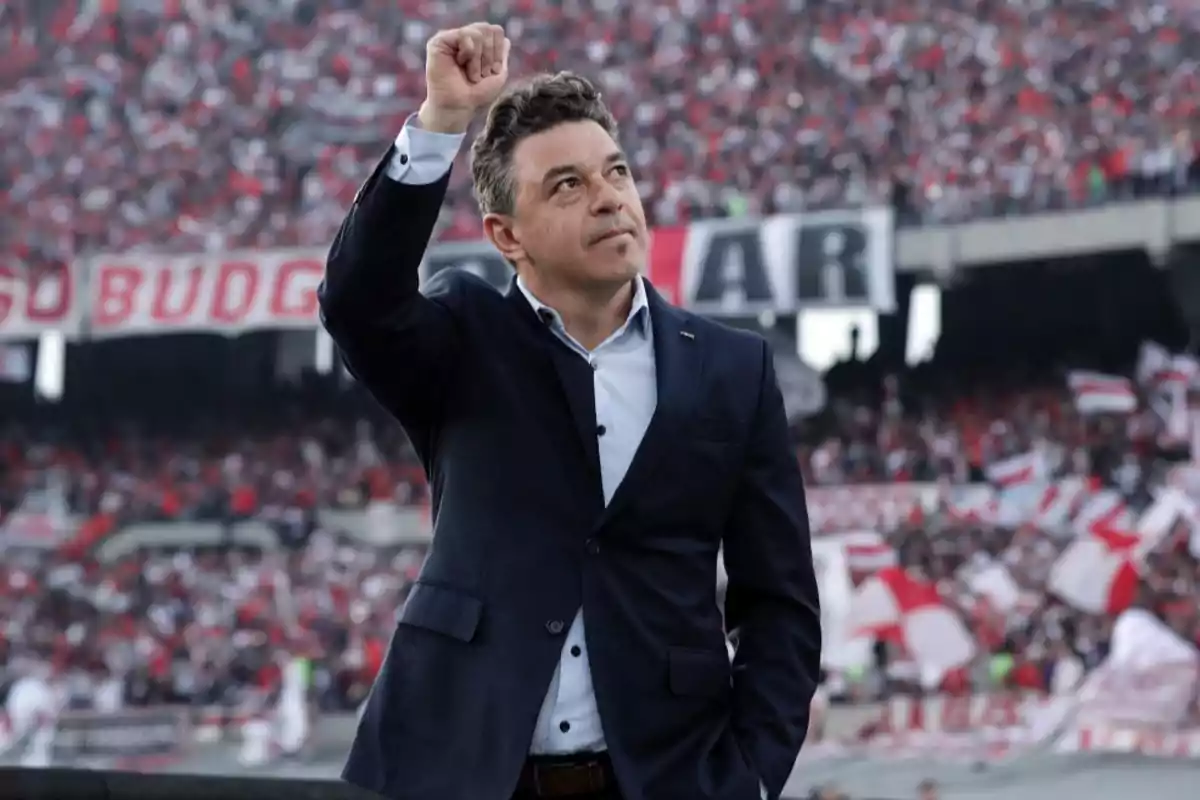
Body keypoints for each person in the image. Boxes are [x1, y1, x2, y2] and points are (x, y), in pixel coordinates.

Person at [321, 22, 821, 800]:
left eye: (615, 172)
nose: (609, 199)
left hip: (665, 780)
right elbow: (357, 301)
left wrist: (751, 776)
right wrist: (440, 122)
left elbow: (779, 604)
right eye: (568, 185)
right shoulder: (462, 336)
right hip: (459, 773)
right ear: (505, 236)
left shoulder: (733, 368)